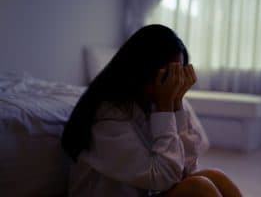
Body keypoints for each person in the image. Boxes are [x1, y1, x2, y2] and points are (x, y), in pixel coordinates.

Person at [61, 24, 242, 197]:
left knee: (216, 177)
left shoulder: (156, 101)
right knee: (199, 188)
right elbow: (162, 178)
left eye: (178, 74)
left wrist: (177, 103)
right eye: (168, 75)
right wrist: (165, 109)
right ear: (142, 70)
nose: (174, 82)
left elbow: (185, 169)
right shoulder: (107, 115)